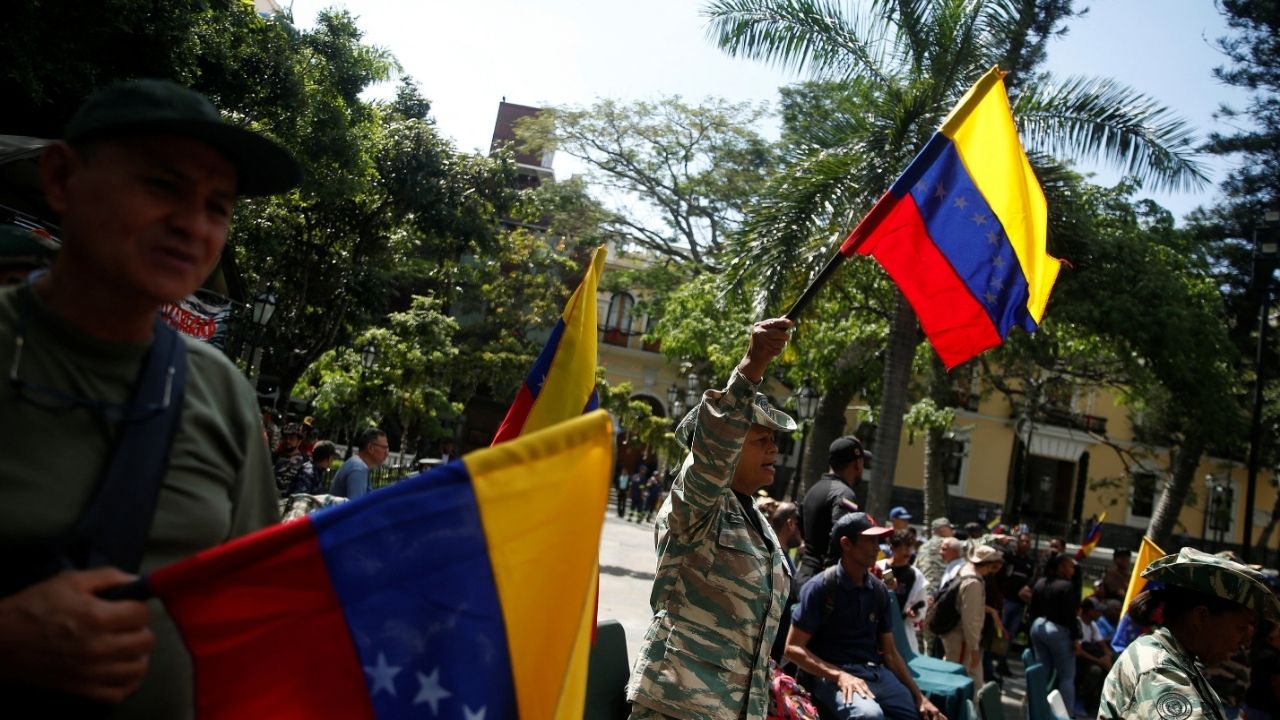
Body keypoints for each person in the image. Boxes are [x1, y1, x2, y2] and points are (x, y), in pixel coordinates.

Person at [0, 78, 299, 716]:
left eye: (218, 206)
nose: (192, 225)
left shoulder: (221, 392)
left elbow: (252, 611)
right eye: (162, 186)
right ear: (61, 178)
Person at [626, 318, 796, 720]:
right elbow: (713, 447)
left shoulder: (754, 518)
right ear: (729, 450)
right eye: (761, 440)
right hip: (677, 706)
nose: (774, 448)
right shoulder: (698, 505)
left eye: (774, 439)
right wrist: (752, 365)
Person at [784, 513, 946, 720]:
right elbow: (792, 648)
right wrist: (838, 675)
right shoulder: (820, 587)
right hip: (831, 677)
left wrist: (920, 697)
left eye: (878, 540)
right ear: (846, 544)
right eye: (869, 540)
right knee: (869, 716)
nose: (877, 547)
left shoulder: (878, 590)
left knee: (915, 714)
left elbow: (890, 652)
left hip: (876, 674)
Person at [1100, 547, 1277, 720]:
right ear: (1201, 617)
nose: (1245, 640)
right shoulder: (1160, 672)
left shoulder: (1177, 660)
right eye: (1241, 627)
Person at [796, 435, 870, 586]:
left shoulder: (814, 489)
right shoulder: (845, 494)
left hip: (803, 573)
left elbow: (800, 525)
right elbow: (842, 534)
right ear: (857, 463)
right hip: (825, 580)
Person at [941, 545, 1004, 690]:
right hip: (963, 640)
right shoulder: (974, 583)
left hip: (957, 638)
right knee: (964, 682)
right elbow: (971, 620)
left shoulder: (964, 570)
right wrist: (974, 649)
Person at [1029, 554, 1082, 717]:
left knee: (1042, 673)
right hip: (1058, 632)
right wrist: (1076, 638)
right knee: (1067, 676)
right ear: (1061, 567)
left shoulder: (1040, 582)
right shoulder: (1066, 586)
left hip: (1038, 627)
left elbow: (1032, 610)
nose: (1073, 570)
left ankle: (1036, 711)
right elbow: (1070, 616)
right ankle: (1065, 714)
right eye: (1070, 566)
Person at [877, 529, 928, 655]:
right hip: (876, 628)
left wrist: (915, 614)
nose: (908, 551)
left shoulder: (915, 575)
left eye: (910, 547)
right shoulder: (879, 567)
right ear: (892, 548)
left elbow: (922, 606)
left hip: (902, 631)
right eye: (903, 547)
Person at [1075, 597, 1113, 716]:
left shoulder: (1093, 625)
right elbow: (1079, 651)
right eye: (1097, 611)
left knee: (1109, 671)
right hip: (1079, 660)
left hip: (1092, 658)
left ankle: (1095, 703)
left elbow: (1102, 645)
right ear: (1090, 611)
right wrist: (1099, 661)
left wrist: (1107, 656)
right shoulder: (1077, 623)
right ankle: (1078, 700)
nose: (1100, 614)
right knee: (1095, 671)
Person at [330, 428, 388, 499]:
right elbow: (356, 508)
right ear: (370, 448)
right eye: (384, 447)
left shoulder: (358, 464)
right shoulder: (358, 469)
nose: (387, 453)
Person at [273, 422, 318, 497]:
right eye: (285, 437)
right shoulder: (274, 457)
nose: (288, 441)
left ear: (299, 441)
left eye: (291, 438)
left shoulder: (305, 461)